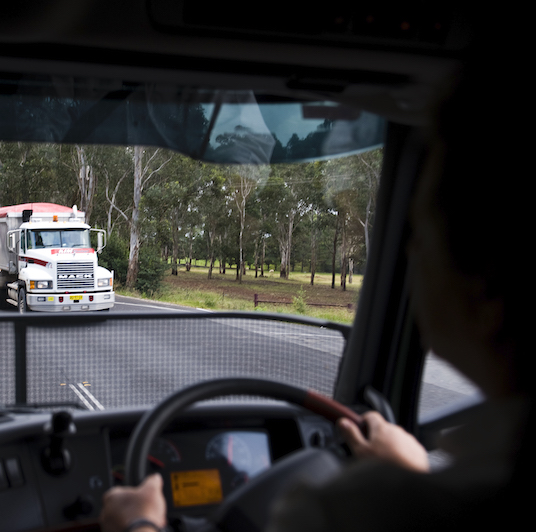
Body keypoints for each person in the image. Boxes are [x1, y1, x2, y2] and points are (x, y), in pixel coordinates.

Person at [100, 34, 532, 532]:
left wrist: (138, 526)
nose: (409, 256)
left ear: (486, 299)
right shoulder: (428, 495)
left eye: (422, 240)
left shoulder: (349, 512)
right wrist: (412, 472)